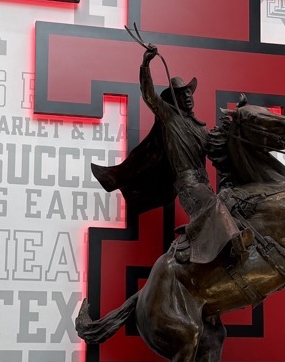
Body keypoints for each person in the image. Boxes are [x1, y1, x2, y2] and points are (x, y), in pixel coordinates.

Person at [91, 43, 246, 265]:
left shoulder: (201, 129)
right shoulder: (170, 118)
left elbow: (219, 152)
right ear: (174, 100)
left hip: (205, 184)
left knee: (231, 205)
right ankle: (237, 246)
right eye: (182, 95)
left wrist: (238, 119)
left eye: (189, 93)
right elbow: (149, 96)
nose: (187, 97)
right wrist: (146, 64)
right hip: (188, 185)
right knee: (215, 206)